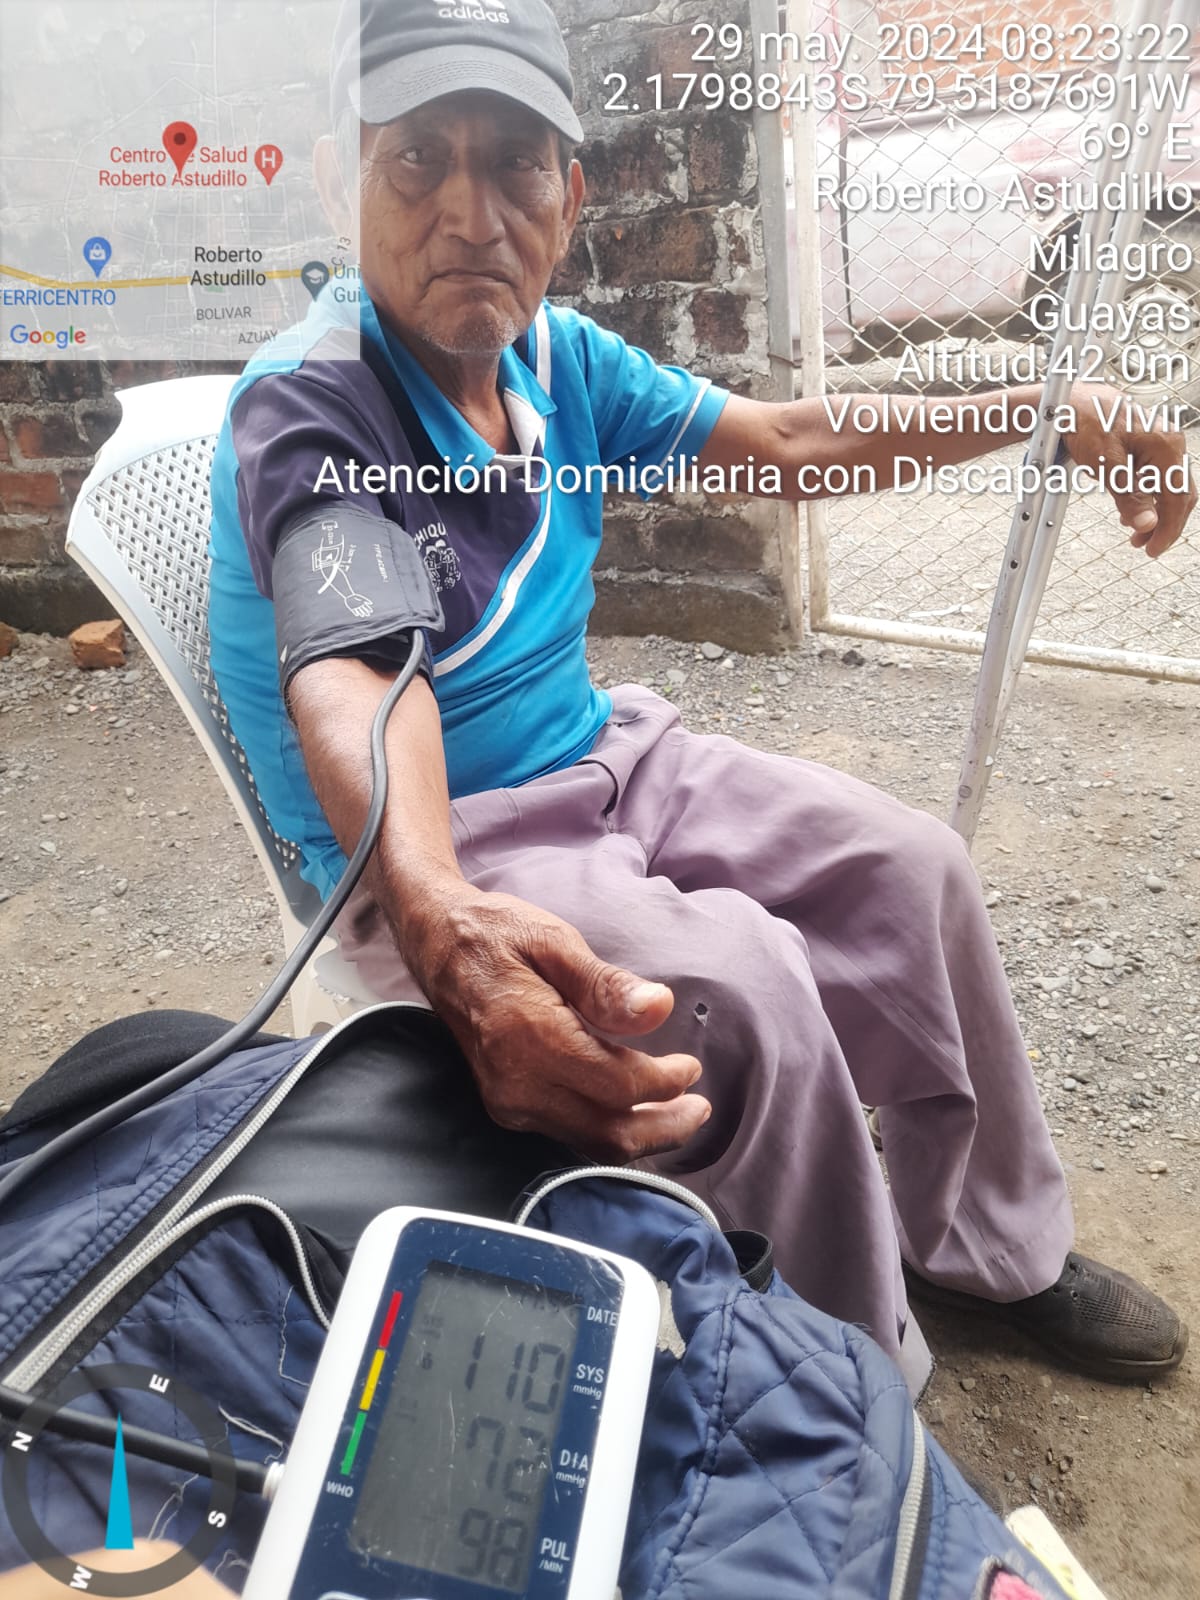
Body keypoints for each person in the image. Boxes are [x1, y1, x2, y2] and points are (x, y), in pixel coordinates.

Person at [207, 0, 1192, 1382]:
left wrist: (1050, 405)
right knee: (746, 993)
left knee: (913, 871)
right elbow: (359, 677)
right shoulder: (314, 405)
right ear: (338, 183)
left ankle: (980, 1245)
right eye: (418, 158)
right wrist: (439, 917)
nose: (472, 216)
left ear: (571, 198)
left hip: (606, 756)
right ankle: (839, 1387)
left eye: (516, 163)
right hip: (446, 840)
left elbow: (790, 439)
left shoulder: (557, 362)